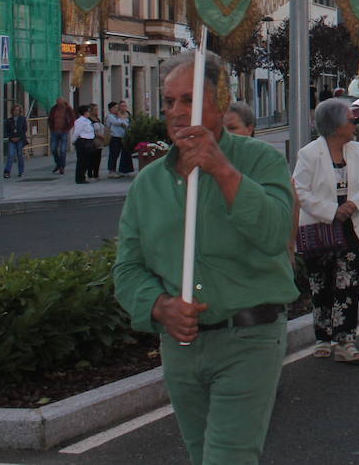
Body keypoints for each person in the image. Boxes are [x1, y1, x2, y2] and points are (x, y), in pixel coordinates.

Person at [113, 50, 296, 464]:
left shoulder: (260, 160)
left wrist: (223, 171)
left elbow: (274, 234)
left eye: (189, 100)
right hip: (181, 346)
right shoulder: (148, 184)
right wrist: (159, 306)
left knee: (227, 457)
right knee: (201, 456)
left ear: (221, 102)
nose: (176, 111)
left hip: (249, 338)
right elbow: (127, 268)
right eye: (169, 101)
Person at [293, 98, 359, 363]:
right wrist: (330, 210)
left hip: (349, 226)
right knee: (321, 284)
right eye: (352, 120)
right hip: (320, 226)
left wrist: (353, 204)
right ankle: (322, 337)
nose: (356, 124)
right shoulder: (309, 154)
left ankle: (345, 341)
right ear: (336, 125)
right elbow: (299, 191)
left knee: (347, 283)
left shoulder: (356, 150)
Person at [105, 100, 133, 178]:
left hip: (123, 137)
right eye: (115, 107)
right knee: (114, 154)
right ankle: (111, 171)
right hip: (115, 137)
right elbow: (118, 123)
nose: (117, 109)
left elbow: (128, 124)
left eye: (117, 107)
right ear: (110, 109)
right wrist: (121, 119)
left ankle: (123, 170)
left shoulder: (123, 115)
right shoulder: (110, 116)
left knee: (125, 154)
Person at [48, 98, 75, 175]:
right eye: (58, 103)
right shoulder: (54, 108)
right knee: (53, 148)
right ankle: (58, 163)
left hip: (64, 131)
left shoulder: (68, 109)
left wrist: (68, 129)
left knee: (63, 150)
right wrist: (51, 127)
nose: (59, 105)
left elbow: (72, 119)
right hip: (54, 131)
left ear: (63, 102)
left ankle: (62, 167)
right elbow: (50, 118)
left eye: (60, 103)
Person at [72, 104, 97, 185]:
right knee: (81, 161)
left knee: (86, 161)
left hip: (89, 141)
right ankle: (79, 178)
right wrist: (74, 140)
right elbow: (77, 132)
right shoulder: (80, 121)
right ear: (84, 112)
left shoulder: (88, 121)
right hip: (83, 141)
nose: (89, 113)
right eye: (88, 111)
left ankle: (83, 176)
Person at [3, 103, 26, 179]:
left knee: (20, 155)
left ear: (20, 111)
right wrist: (11, 137)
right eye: (15, 110)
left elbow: (24, 129)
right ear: (12, 111)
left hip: (20, 139)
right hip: (11, 140)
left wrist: (19, 137)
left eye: (18, 110)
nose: (16, 112)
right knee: (11, 155)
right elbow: (6, 131)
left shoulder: (22, 119)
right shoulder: (9, 120)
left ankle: (21, 171)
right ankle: (7, 172)